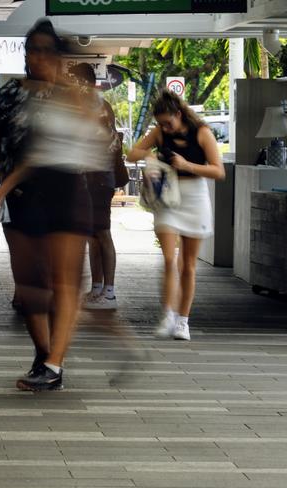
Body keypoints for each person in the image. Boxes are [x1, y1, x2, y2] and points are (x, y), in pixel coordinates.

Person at [0, 19, 98, 391]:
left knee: (64, 281)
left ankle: (53, 363)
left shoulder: (76, 94)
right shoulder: (9, 93)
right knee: (30, 283)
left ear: (59, 55)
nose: (38, 57)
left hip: (65, 189)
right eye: (32, 49)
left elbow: (89, 140)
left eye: (46, 50)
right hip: (19, 196)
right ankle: (44, 352)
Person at [127, 91, 224, 341]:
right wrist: (151, 155)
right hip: (167, 196)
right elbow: (131, 154)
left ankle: (183, 320)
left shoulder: (201, 132)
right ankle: (167, 315)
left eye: (168, 122)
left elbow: (218, 171)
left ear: (179, 115)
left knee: (188, 265)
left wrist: (187, 165)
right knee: (169, 259)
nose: (165, 128)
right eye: (160, 123)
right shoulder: (159, 132)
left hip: (195, 196)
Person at [69, 63, 119, 310]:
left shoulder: (97, 106)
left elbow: (107, 143)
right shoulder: (89, 105)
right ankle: (97, 287)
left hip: (99, 178)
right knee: (92, 234)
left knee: (102, 233)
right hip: (89, 178)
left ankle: (109, 290)